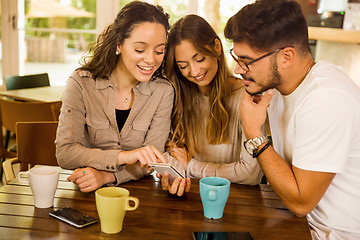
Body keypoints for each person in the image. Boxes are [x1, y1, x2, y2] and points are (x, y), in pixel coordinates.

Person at [224, 0, 360, 239]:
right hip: (302, 224)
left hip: (336, 234)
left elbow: (301, 202)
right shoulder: (275, 90)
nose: (238, 69)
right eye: (236, 57)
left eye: (246, 60)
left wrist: (254, 135)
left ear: (286, 57)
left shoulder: (326, 99)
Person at [55, 1, 173, 192]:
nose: (151, 59)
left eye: (159, 51)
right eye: (140, 50)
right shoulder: (81, 83)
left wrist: (106, 176)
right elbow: (65, 153)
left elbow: (151, 161)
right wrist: (124, 157)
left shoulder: (163, 92)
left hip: (135, 195)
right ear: (119, 44)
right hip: (84, 193)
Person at [159, 14, 263, 196]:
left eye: (199, 59)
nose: (194, 71)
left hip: (237, 204)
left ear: (216, 47)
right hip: (190, 200)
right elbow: (171, 155)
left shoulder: (247, 98)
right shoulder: (176, 98)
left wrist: (191, 166)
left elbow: (250, 174)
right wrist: (174, 177)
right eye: (183, 66)